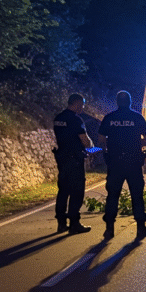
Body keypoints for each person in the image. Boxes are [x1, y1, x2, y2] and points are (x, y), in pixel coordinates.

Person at [98, 90, 146, 240]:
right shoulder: (137, 117)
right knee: (137, 195)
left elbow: (101, 139)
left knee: (113, 196)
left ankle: (109, 229)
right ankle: (141, 228)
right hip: (134, 162)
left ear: (117, 102)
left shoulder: (109, 118)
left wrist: (109, 149)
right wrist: (136, 145)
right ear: (129, 101)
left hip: (115, 162)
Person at [53, 93, 93, 234]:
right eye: (81, 104)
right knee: (76, 192)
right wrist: (90, 148)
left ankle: (61, 223)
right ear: (76, 103)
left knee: (63, 191)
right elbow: (84, 140)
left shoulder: (58, 118)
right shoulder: (76, 120)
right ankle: (74, 223)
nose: (82, 108)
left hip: (62, 159)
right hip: (75, 160)